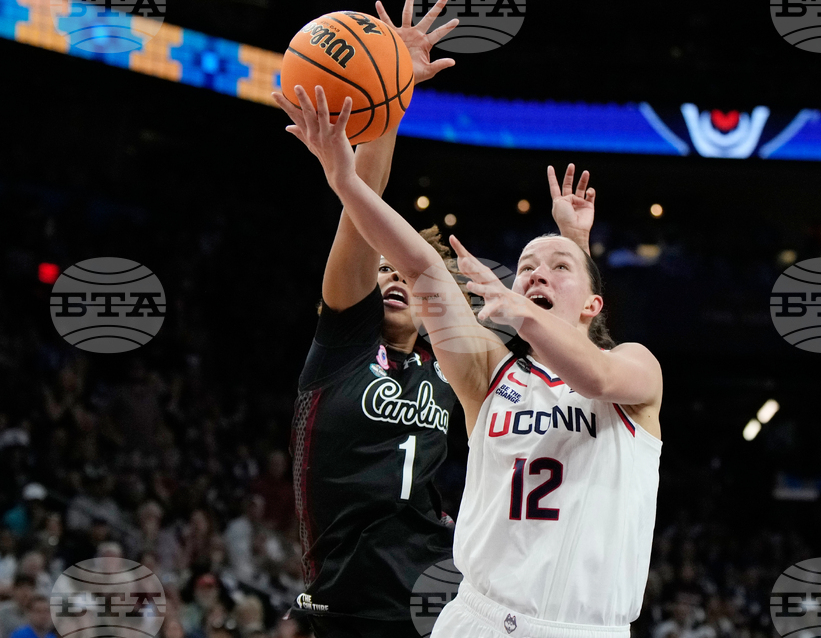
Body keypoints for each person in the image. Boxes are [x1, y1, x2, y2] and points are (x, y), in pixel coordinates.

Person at [273, 74, 663, 638]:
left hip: (580, 627)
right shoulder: (491, 373)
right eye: (526, 265)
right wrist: (345, 182)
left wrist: (556, 266)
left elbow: (593, 370)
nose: (534, 273)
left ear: (593, 301)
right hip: (473, 617)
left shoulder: (637, 367)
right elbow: (422, 268)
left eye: (557, 268)